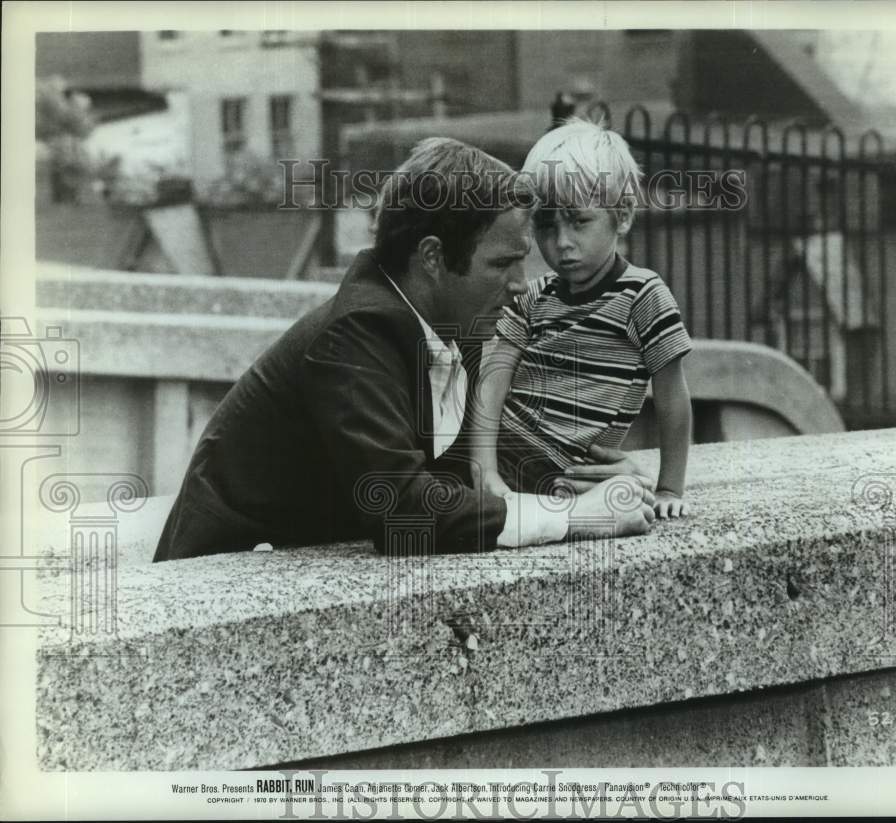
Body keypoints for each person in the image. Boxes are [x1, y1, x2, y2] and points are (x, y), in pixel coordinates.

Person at [154, 137, 656, 562]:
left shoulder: (454, 327)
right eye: (502, 264)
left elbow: (486, 460)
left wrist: (589, 479)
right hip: (222, 589)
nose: (521, 286)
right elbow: (401, 507)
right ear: (434, 257)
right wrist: (573, 517)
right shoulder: (354, 335)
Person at [470, 119, 693, 518]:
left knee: (629, 497)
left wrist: (670, 487)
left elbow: (672, 399)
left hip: (573, 473)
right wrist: (486, 471)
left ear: (622, 216)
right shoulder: (535, 296)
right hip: (509, 446)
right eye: (547, 225)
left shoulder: (643, 295)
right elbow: (493, 383)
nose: (562, 243)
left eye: (579, 221)